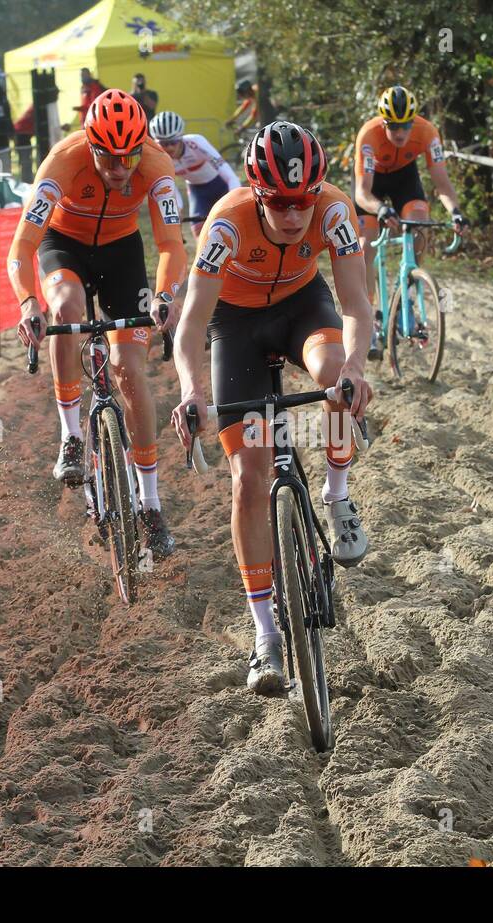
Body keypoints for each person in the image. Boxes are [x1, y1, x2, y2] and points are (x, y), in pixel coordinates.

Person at [169, 122, 375, 695]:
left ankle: (336, 496)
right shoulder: (225, 225)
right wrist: (191, 392)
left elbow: (357, 303)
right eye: (280, 204)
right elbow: (188, 330)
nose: (292, 216)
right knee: (248, 480)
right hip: (234, 328)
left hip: (302, 310)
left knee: (336, 380)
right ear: (257, 195)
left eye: (302, 202)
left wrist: (356, 368)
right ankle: (265, 637)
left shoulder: (334, 212)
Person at [9, 89, 185, 559]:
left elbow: (170, 244)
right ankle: (70, 436)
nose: (120, 168)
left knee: (131, 371)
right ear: (90, 146)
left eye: (128, 156)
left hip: (122, 253)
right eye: (108, 157)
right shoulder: (60, 163)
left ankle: (150, 504)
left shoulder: (157, 164)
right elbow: (22, 249)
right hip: (63, 245)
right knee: (65, 309)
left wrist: (165, 295)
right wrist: (29, 303)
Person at [352, 85, 467, 358]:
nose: (400, 132)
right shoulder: (368, 136)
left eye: (405, 125)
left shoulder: (428, 133)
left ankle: (408, 294)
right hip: (372, 187)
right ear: (383, 122)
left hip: (405, 178)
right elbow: (362, 192)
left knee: (420, 224)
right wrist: (381, 210)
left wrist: (456, 212)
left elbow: (442, 184)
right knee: (366, 245)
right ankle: (370, 317)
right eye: (393, 126)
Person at [149, 110, 240, 237]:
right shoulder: (159, 158)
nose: (169, 147)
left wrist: (235, 201)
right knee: (199, 232)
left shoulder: (196, 143)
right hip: (197, 192)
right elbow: (170, 187)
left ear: (181, 137)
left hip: (220, 184)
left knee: (232, 229)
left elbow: (230, 176)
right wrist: (177, 209)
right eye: (163, 143)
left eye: (173, 142)